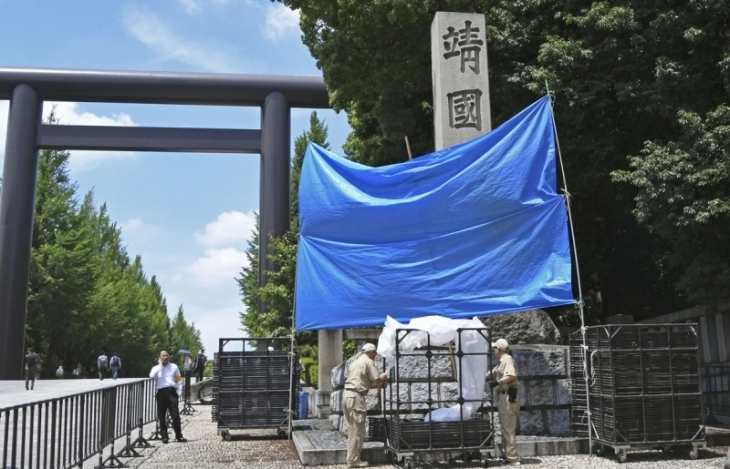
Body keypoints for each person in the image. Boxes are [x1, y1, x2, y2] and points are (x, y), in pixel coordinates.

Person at [343, 343, 388, 468]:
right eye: (375, 353)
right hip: (356, 397)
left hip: (347, 395)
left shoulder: (356, 362)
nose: (375, 355)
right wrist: (383, 377)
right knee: (357, 431)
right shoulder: (368, 362)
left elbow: (365, 383)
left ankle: (352, 458)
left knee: (352, 429)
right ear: (371, 352)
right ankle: (353, 461)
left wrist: (379, 385)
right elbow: (376, 379)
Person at [486, 338, 520, 466]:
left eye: (494, 348)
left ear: (498, 349)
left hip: (508, 398)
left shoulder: (507, 359)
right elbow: (493, 373)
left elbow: (510, 375)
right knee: (506, 428)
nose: (493, 350)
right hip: (504, 398)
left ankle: (513, 459)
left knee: (508, 429)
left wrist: (498, 382)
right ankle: (508, 456)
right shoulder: (502, 361)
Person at [149, 349, 187, 443]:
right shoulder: (156, 368)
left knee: (176, 415)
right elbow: (151, 375)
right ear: (160, 357)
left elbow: (178, 378)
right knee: (162, 416)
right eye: (163, 356)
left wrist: (179, 392)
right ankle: (164, 436)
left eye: (166, 355)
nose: (165, 357)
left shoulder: (174, 366)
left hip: (172, 392)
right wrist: (160, 366)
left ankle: (179, 435)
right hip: (161, 392)